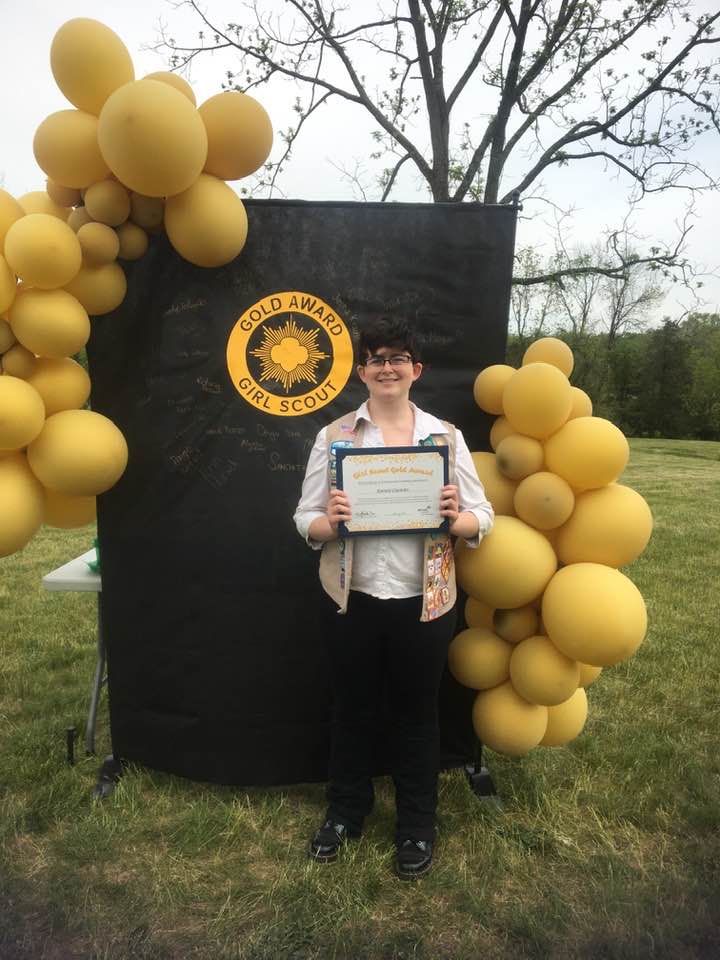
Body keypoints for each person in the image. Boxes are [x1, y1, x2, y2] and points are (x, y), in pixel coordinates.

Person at [293, 316, 494, 880]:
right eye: (377, 358)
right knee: (351, 709)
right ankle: (345, 813)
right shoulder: (333, 437)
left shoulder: (445, 439)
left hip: (425, 600)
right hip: (351, 598)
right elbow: (303, 516)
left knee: (416, 716)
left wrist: (461, 519)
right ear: (362, 372)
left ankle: (416, 826)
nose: (387, 367)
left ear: (415, 370)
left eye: (397, 358)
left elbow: (485, 515)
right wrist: (327, 524)